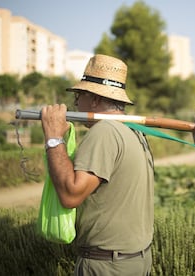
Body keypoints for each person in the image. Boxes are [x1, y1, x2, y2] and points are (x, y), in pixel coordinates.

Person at [40, 54, 154, 275]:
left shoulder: (105, 132)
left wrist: (54, 139)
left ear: (94, 99)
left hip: (107, 266)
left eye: (79, 95)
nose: (75, 103)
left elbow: (70, 195)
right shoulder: (135, 131)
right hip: (136, 260)